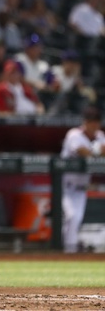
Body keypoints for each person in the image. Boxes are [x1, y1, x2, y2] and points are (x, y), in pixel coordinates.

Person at [60, 107, 105, 253]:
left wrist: (97, 151)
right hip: (65, 187)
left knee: (75, 219)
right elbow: (82, 152)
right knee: (72, 217)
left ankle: (68, 251)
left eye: (96, 122)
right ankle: (67, 252)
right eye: (91, 122)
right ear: (85, 122)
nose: (94, 126)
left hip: (81, 188)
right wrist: (98, 151)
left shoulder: (100, 135)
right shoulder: (74, 134)